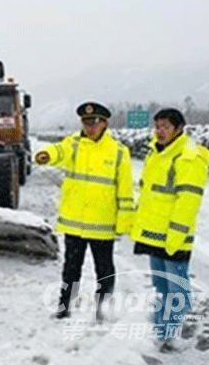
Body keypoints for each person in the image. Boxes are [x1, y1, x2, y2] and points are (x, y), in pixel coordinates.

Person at [35, 102, 134, 320]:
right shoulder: (74, 144)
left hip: (102, 223)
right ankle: (64, 306)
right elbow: (58, 150)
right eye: (85, 122)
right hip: (75, 222)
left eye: (94, 121)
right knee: (71, 268)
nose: (89, 126)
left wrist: (124, 222)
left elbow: (125, 191)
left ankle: (103, 308)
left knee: (104, 269)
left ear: (105, 123)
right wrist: (45, 154)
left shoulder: (118, 152)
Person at [130, 108, 209, 352]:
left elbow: (188, 201)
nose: (159, 131)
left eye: (165, 126)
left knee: (178, 291)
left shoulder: (188, 156)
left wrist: (175, 237)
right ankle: (161, 333)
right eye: (157, 126)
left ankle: (169, 334)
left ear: (179, 128)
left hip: (173, 237)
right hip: (155, 235)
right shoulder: (158, 153)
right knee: (162, 287)